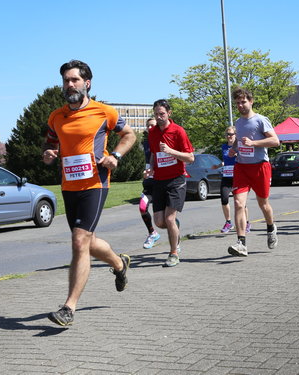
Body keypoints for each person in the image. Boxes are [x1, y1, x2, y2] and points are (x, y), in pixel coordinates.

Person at [43, 60, 137, 326]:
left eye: (74, 80)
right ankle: (119, 264)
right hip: (68, 184)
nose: (69, 85)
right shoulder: (56, 116)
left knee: (79, 240)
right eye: (65, 80)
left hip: (95, 182)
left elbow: (129, 135)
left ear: (87, 83)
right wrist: (50, 154)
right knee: (87, 240)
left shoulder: (103, 112)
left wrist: (116, 155)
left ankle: (68, 308)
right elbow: (51, 143)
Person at [227, 87, 280, 257]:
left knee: (263, 204)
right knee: (238, 204)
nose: (240, 105)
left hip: (259, 167)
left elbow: (275, 141)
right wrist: (234, 149)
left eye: (243, 102)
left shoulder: (261, 120)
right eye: (237, 103)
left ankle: (271, 228)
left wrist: (254, 143)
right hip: (242, 167)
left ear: (251, 101)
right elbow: (240, 141)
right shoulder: (238, 122)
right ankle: (241, 243)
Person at [143, 99, 194, 267]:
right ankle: (175, 228)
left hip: (176, 180)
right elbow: (154, 154)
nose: (159, 117)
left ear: (169, 113)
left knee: (170, 218)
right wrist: (150, 168)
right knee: (159, 221)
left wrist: (171, 151)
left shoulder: (178, 131)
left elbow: (190, 158)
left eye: (162, 114)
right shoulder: (153, 133)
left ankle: (173, 253)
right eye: (156, 114)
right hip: (159, 180)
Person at [213, 126, 251, 233]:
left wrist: (237, 154)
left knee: (240, 202)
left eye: (231, 134)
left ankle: (247, 222)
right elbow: (226, 161)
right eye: (227, 135)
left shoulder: (239, 146)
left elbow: (246, 157)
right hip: (226, 177)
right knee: (224, 199)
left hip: (238, 177)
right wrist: (218, 165)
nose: (229, 136)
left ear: (235, 135)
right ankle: (228, 222)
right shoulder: (224, 147)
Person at [140, 117, 160, 249]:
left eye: (153, 125)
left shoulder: (163, 139)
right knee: (142, 207)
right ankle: (152, 233)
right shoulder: (145, 143)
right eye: (148, 126)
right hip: (148, 183)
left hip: (162, 183)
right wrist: (147, 171)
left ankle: (176, 240)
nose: (150, 128)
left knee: (166, 219)